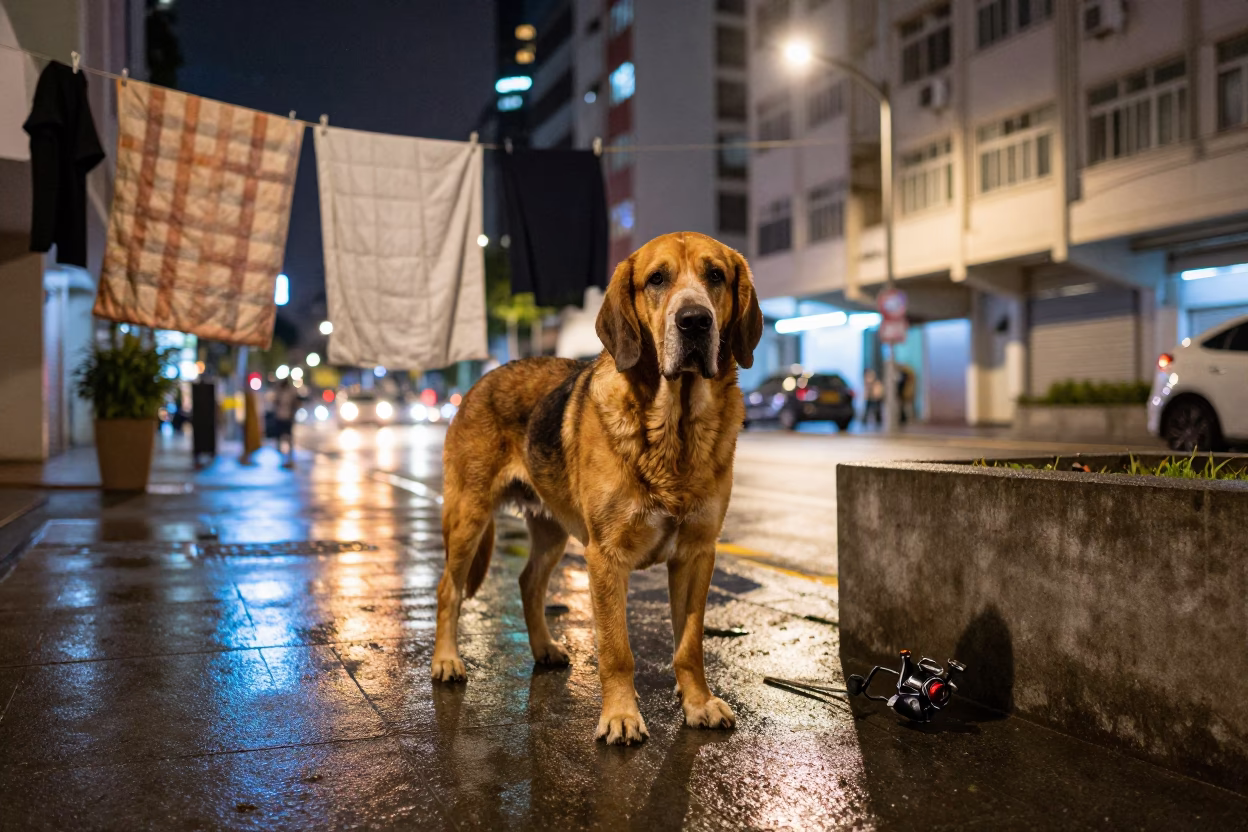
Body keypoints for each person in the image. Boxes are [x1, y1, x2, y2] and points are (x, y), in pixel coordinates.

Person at [273, 378, 299, 468]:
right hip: (280, 417)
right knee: (280, 438)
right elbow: (275, 403)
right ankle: (282, 458)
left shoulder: (291, 392)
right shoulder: (279, 392)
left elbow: (295, 404)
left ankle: (289, 459)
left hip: (287, 418)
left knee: (288, 438)